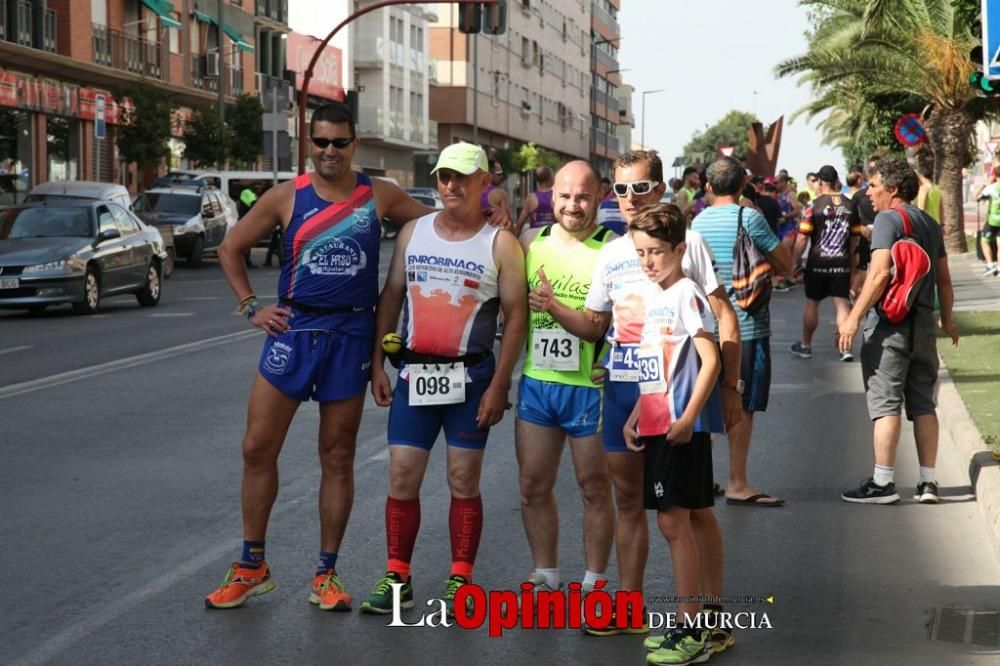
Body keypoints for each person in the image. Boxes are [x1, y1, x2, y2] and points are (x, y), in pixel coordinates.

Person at [206, 101, 439, 611]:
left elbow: (444, 229)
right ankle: (251, 565)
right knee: (256, 448)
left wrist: (491, 211)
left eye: (339, 142)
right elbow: (231, 247)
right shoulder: (286, 196)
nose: (329, 151)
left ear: (354, 144)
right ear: (308, 144)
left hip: (352, 335)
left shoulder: (380, 195)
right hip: (293, 330)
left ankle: (325, 575)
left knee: (337, 456)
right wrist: (251, 307)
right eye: (321, 142)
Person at [537, 150, 740, 655]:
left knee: (691, 511)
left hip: (679, 390)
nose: (631, 200)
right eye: (622, 190)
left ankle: (708, 615)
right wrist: (554, 306)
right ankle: (629, 607)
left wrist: (729, 389)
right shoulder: (611, 251)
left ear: (661, 188)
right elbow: (595, 326)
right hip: (630, 394)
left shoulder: (682, 241)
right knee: (631, 500)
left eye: (641, 189)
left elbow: (721, 317)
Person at [360, 142, 528, 616]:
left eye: (461, 177)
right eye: (443, 177)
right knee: (401, 476)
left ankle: (461, 578)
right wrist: (377, 363)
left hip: (471, 378)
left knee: (462, 479)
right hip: (415, 374)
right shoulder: (414, 233)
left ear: (483, 183)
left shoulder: (501, 243)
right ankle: (397, 575)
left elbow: (516, 319)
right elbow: (391, 296)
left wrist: (500, 384)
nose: (451, 186)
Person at [622, 204, 725, 666]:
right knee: (687, 518)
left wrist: (687, 419)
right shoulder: (657, 295)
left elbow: (711, 361)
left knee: (672, 522)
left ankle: (690, 631)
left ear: (680, 249)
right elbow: (657, 367)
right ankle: (707, 624)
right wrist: (635, 416)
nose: (647, 261)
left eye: (657, 252)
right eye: (641, 252)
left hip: (680, 428)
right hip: (657, 421)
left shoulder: (686, 292)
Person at [517, 161, 615, 599]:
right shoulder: (529, 243)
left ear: (600, 197)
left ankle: (594, 579)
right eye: (565, 196)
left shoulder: (613, 249)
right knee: (532, 486)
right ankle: (546, 573)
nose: (573, 206)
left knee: (593, 488)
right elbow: (508, 314)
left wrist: (612, 361)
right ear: (550, 196)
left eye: (582, 197)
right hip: (538, 382)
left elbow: (618, 322)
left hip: (590, 387)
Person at [838, 157, 959, 504]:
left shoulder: (887, 221)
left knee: (885, 404)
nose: (868, 192)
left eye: (874, 186)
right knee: (923, 404)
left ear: (892, 189)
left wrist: (853, 317)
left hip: (889, 327)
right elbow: (945, 282)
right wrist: (946, 321)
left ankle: (883, 482)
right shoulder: (930, 224)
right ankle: (928, 483)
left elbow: (878, 275)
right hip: (922, 326)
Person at [692, 156, 793, 506]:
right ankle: (737, 482)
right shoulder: (748, 216)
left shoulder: (697, 222)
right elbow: (786, 263)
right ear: (742, 185)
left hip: (705, 327)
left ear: (706, 187)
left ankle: (702, 479)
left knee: (705, 400)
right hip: (746, 325)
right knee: (741, 404)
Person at [790, 165, 862, 362]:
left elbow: (803, 238)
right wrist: (852, 262)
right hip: (841, 262)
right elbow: (855, 238)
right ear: (836, 181)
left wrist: (793, 262)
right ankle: (845, 349)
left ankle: (806, 345)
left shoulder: (812, 206)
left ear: (820, 183)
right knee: (841, 303)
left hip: (818, 262)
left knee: (812, 302)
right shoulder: (850, 204)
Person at [515, 165, 556, 236]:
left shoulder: (531, 198)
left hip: (535, 238)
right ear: (550, 178)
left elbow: (520, 224)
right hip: (552, 237)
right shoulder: (556, 196)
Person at [976, 167, 1000, 276]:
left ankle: (990, 265)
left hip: (993, 220)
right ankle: (999, 268)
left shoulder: (992, 188)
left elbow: (976, 197)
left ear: (994, 176)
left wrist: (984, 185)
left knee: (984, 241)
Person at [914, 146, 943, 224]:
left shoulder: (923, 189)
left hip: (926, 228)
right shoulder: (937, 189)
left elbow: (920, 213)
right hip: (936, 227)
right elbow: (941, 213)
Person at [482, 159, 513, 224]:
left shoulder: (472, 192)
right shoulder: (499, 193)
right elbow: (508, 222)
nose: (502, 176)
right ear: (489, 174)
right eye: (499, 174)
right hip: (494, 233)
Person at [237, 183, 260, 268]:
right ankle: (246, 262)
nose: (259, 188)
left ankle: (246, 261)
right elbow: (253, 204)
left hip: (246, 221)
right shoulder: (246, 192)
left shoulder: (250, 193)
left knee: (247, 243)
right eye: (258, 186)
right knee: (246, 243)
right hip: (245, 221)